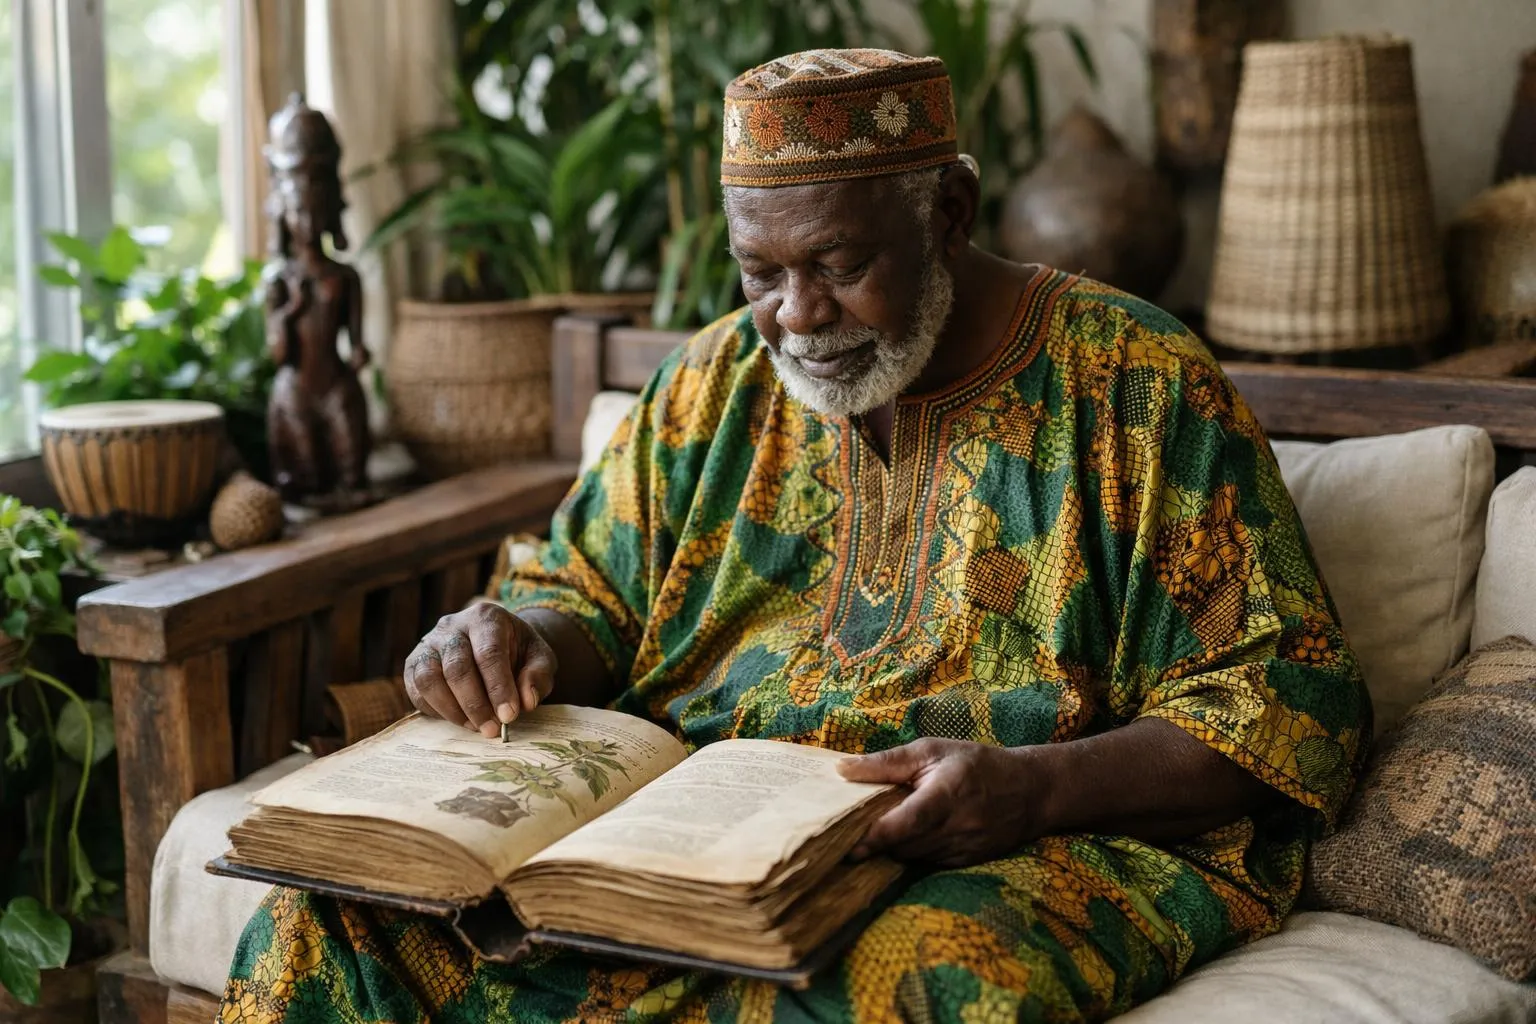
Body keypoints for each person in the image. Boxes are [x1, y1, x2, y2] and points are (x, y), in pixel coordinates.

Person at [221, 50, 1369, 1024]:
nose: (797, 317)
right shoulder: (714, 381)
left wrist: (1033, 789)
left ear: (950, 214)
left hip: (1019, 839)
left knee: (906, 981)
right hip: (690, 847)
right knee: (323, 926)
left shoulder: (1136, 385)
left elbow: (1284, 705)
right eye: (760, 271)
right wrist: (509, 634)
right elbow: (585, 594)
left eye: (839, 265)